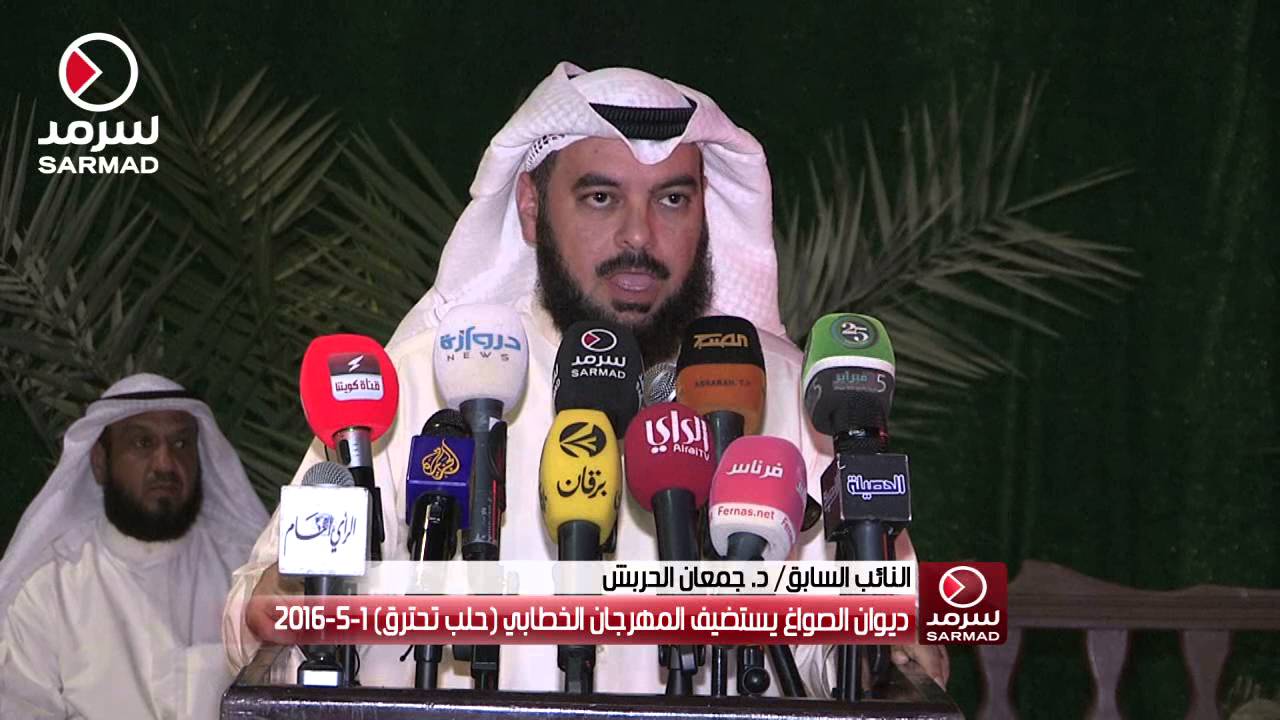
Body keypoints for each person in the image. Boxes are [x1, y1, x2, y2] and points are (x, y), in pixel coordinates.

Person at [223, 61, 948, 694]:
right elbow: (252, 613)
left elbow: (870, 645)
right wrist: (291, 599)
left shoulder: (791, 396)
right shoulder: (424, 383)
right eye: (601, 197)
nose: (639, 236)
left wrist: (892, 647)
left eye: (672, 199)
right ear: (532, 208)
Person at [0, 373, 269, 719]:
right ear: (100, 462)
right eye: (143, 443)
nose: (165, 463)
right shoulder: (49, 588)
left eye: (181, 444)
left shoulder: (247, 575)